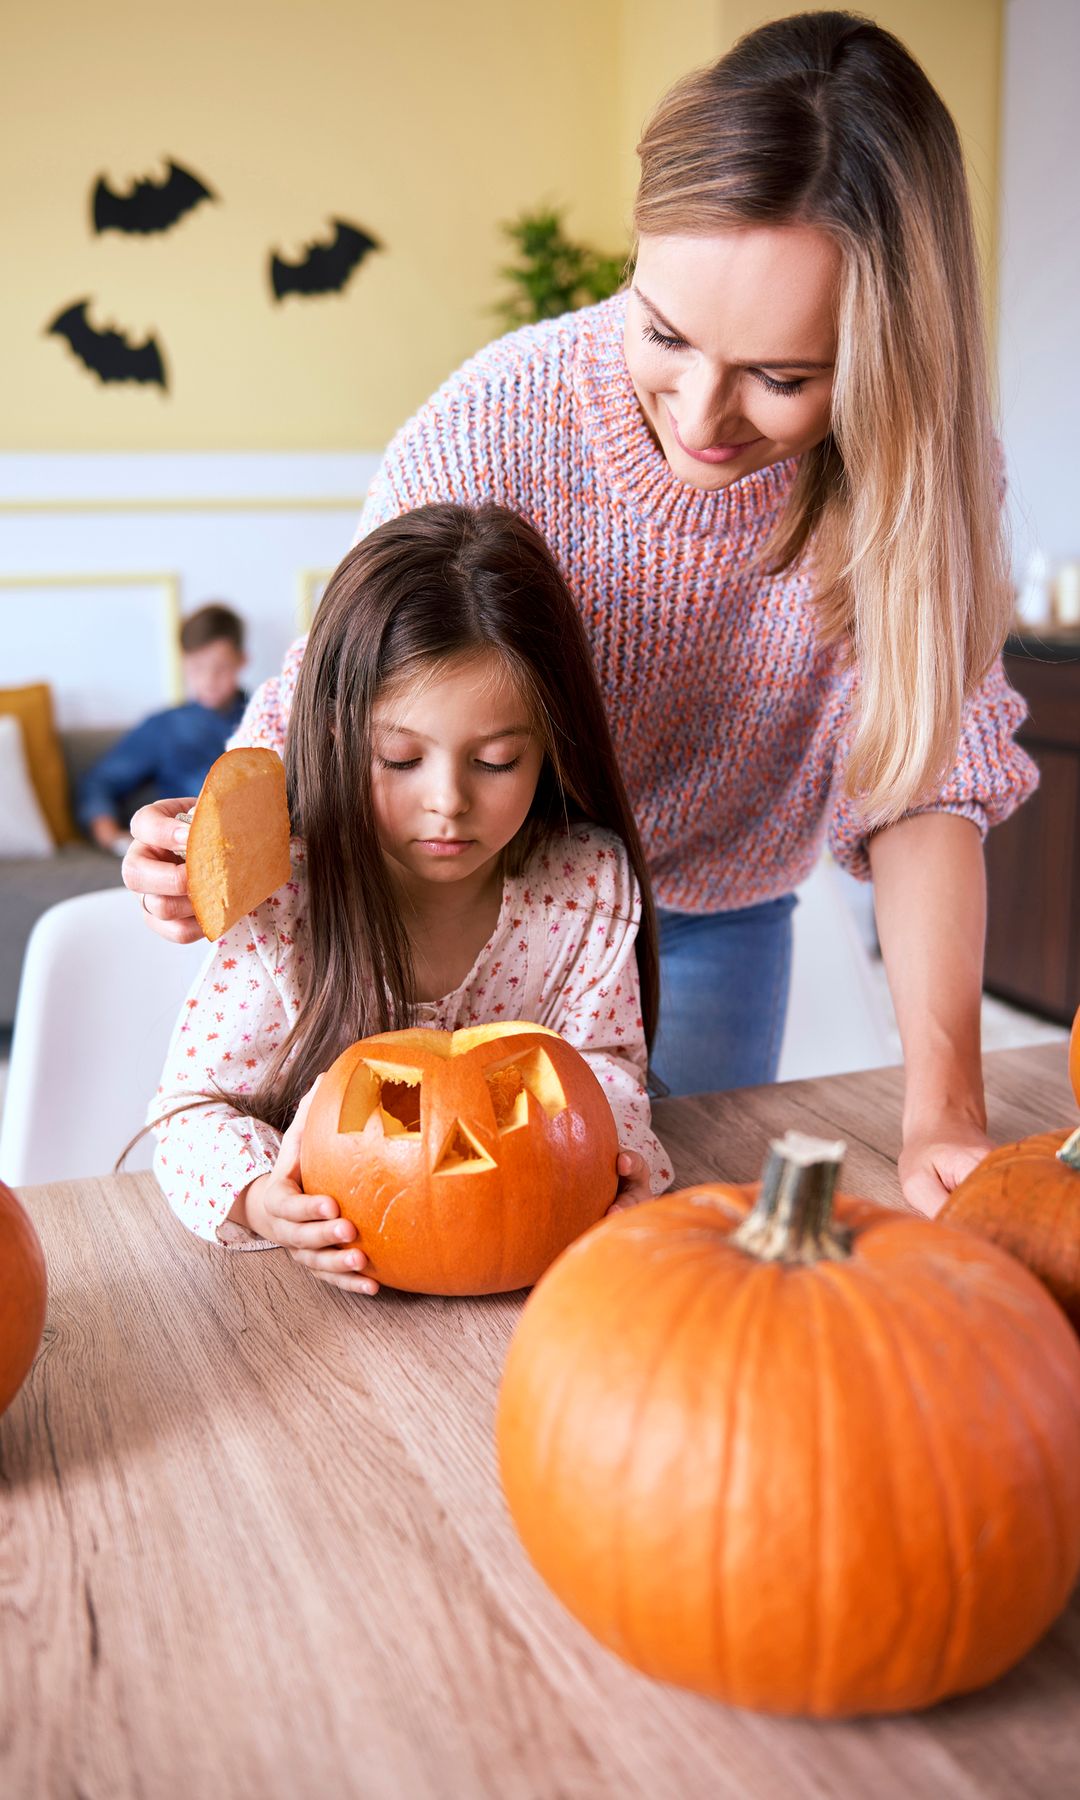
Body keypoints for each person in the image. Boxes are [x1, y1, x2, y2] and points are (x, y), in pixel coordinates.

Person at [127, 12, 1036, 1216]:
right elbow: (347, 678)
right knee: (425, 1228)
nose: (702, 412)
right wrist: (215, 824)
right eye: (664, 331)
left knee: (658, 1236)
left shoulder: (923, 480)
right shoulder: (499, 422)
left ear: (887, 353)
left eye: (783, 376)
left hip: (712, 916)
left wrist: (945, 1114)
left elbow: (926, 783)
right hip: (458, 895)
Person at [149, 505, 671, 1292]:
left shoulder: (584, 886)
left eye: (495, 762)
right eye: (399, 758)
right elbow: (189, 1115)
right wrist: (261, 1200)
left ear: (551, 745)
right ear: (332, 739)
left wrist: (614, 1158)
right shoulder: (286, 898)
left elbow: (608, 1069)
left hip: (545, 1296)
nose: (447, 803)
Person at [78, 602, 248, 853]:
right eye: (197, 668)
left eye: (221, 667)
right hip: (190, 843)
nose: (209, 680)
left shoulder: (271, 716)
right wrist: (112, 837)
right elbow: (100, 782)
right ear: (183, 664)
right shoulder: (165, 727)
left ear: (241, 660)